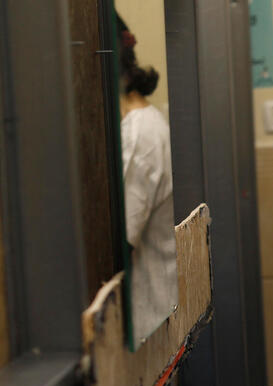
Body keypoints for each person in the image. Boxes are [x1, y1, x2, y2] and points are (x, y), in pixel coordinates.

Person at [118, 16, 177, 344]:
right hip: (154, 315)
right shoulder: (144, 124)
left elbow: (120, 242)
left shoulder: (139, 133)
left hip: (148, 319)